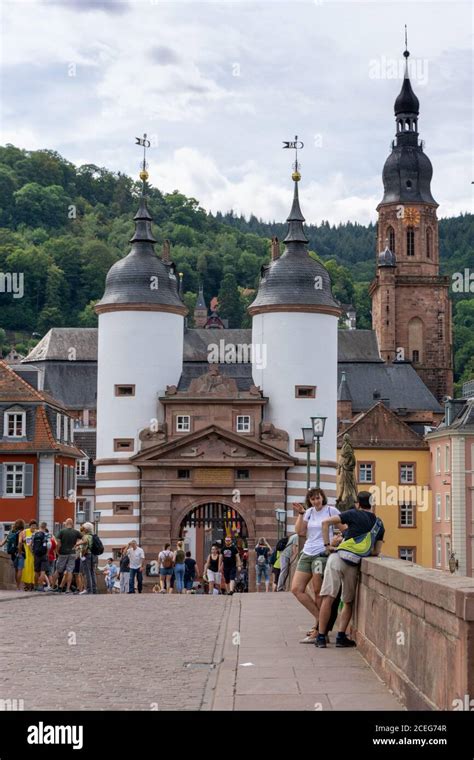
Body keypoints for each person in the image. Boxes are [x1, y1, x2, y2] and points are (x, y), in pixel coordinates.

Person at [315, 491, 385, 648]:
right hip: (353, 563)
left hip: (337, 558)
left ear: (358, 504)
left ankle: (321, 637)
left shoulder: (353, 513)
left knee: (328, 598)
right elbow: (375, 552)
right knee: (347, 601)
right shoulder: (379, 524)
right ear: (371, 504)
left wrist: (328, 546)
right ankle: (341, 636)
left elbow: (325, 523)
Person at [291, 488, 340, 643]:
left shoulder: (331, 510)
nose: (316, 501)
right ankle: (321, 622)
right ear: (309, 501)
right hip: (307, 553)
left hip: (322, 554)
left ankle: (320, 631)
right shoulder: (309, 513)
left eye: (318, 498)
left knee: (319, 591)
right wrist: (300, 514)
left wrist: (335, 542)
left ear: (322, 498)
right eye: (312, 499)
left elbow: (345, 529)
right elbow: (300, 532)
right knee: (296, 589)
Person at [53, 518, 83, 594]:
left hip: (63, 553)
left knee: (58, 570)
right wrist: (76, 544)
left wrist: (57, 551)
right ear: (72, 524)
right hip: (72, 553)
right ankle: (67, 589)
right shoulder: (76, 532)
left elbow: (58, 543)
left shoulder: (62, 531)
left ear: (66, 523)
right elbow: (84, 539)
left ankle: (52, 586)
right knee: (69, 571)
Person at [1, 519, 25, 590]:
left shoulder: (10, 532)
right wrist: (20, 552)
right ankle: (18, 586)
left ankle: (17, 587)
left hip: (12, 554)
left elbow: (2, 543)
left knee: (16, 570)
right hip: (19, 553)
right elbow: (20, 543)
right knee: (20, 569)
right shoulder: (21, 532)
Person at [31, 522, 52, 591]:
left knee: (36, 571)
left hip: (36, 554)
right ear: (45, 527)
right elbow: (49, 545)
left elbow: (30, 544)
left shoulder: (34, 534)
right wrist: (47, 553)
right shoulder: (47, 534)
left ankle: (35, 586)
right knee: (43, 571)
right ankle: (40, 586)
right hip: (43, 555)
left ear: (39, 526)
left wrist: (33, 552)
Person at [19, 520, 38, 592]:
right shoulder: (25, 531)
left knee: (33, 569)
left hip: (34, 553)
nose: (33, 527)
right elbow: (22, 540)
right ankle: (26, 585)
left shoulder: (37, 532)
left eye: (35, 526)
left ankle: (33, 585)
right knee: (26, 569)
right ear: (30, 526)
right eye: (32, 525)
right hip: (27, 553)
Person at [79, 522, 97, 595]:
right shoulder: (92, 535)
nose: (83, 529)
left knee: (87, 573)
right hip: (93, 555)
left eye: (84, 528)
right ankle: (94, 589)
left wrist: (82, 554)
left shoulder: (86, 536)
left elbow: (85, 547)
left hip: (87, 555)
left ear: (86, 529)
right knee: (92, 572)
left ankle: (89, 589)